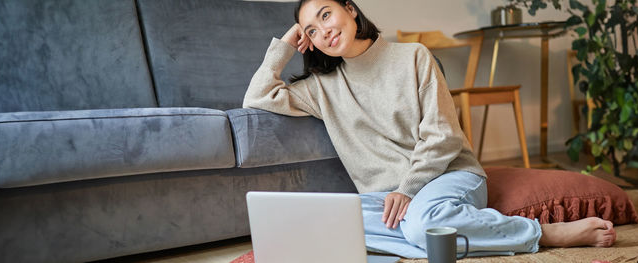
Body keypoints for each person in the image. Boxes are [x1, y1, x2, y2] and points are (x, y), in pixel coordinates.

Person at [243, 0, 617, 258]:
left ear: (351, 10)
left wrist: (408, 190)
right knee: (323, 224)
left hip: (447, 176)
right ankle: (442, 241)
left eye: (326, 15)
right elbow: (256, 97)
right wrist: (286, 44)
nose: (323, 30)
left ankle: (542, 234)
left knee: (423, 223)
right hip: (387, 201)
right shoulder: (320, 87)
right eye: (311, 28)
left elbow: (444, 135)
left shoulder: (413, 56)